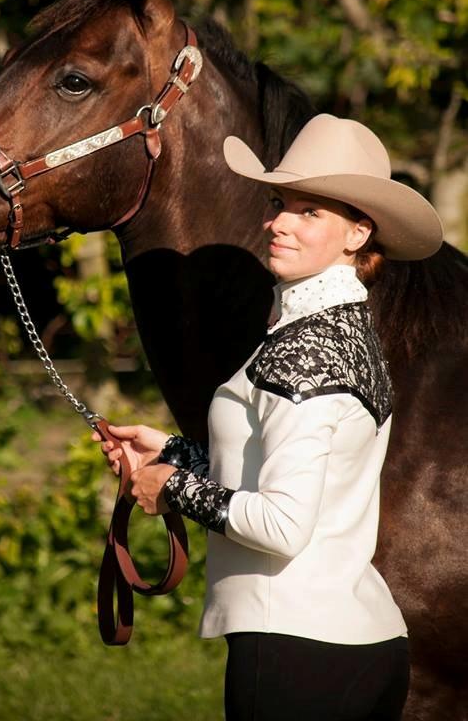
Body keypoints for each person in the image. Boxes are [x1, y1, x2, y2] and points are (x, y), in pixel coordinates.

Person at [93, 114, 443, 721]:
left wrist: (170, 486)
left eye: (311, 212)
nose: (277, 221)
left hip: (297, 655)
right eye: (282, 203)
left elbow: (283, 524)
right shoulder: (341, 333)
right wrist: (175, 454)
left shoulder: (304, 350)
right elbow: (285, 475)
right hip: (363, 644)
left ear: (358, 234)